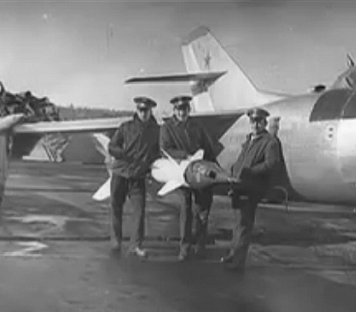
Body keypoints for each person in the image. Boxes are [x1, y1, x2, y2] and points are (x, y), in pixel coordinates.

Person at [221, 107, 283, 270]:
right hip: (239, 186)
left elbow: (271, 164)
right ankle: (233, 254)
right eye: (253, 122)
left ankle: (238, 261)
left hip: (251, 187)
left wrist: (250, 172)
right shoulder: (249, 140)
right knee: (238, 223)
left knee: (244, 225)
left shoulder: (270, 142)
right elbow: (242, 160)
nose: (255, 125)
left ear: (264, 123)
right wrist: (234, 171)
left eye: (259, 122)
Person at [160, 95, 217, 261]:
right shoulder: (167, 128)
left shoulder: (197, 127)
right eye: (179, 109)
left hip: (199, 173)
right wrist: (186, 155)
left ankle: (200, 245)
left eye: (185, 109)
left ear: (188, 110)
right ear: (174, 110)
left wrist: (214, 170)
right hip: (181, 173)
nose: (182, 112)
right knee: (186, 209)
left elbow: (208, 148)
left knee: (202, 209)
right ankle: (185, 247)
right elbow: (165, 149)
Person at [108, 96, 160, 259]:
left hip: (138, 177)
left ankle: (135, 245)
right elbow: (112, 146)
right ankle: (116, 241)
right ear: (137, 111)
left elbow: (157, 151)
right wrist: (123, 154)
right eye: (141, 110)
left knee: (139, 211)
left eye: (146, 110)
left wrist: (153, 168)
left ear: (151, 111)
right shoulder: (126, 127)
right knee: (116, 207)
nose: (144, 113)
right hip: (120, 173)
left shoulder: (155, 130)